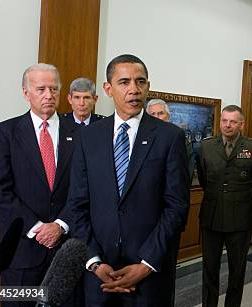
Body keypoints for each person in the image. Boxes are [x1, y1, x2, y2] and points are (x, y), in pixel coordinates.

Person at [68, 54, 189, 307]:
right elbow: (77, 204)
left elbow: (176, 206)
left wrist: (146, 264)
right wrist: (94, 262)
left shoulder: (170, 137)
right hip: (100, 274)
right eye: (124, 82)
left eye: (140, 81)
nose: (134, 89)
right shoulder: (87, 138)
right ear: (108, 88)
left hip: (148, 272)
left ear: (148, 86)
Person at [0, 64, 76, 306]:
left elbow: (84, 190)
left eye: (54, 88)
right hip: (20, 252)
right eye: (41, 89)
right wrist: (38, 228)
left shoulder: (80, 134)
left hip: (66, 251)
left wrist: (59, 225)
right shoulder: (6, 132)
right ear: (26, 93)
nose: (49, 95)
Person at [197, 105, 252, 307]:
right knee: (209, 269)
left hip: (240, 218)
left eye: (233, 121)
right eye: (224, 120)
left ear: (242, 124)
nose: (227, 125)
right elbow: (204, 178)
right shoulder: (206, 146)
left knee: (237, 270)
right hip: (211, 216)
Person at [146, 98, 195, 183]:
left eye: (161, 113)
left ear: (168, 116)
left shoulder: (179, 138)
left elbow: (186, 172)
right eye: (152, 114)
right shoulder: (141, 138)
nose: (156, 117)